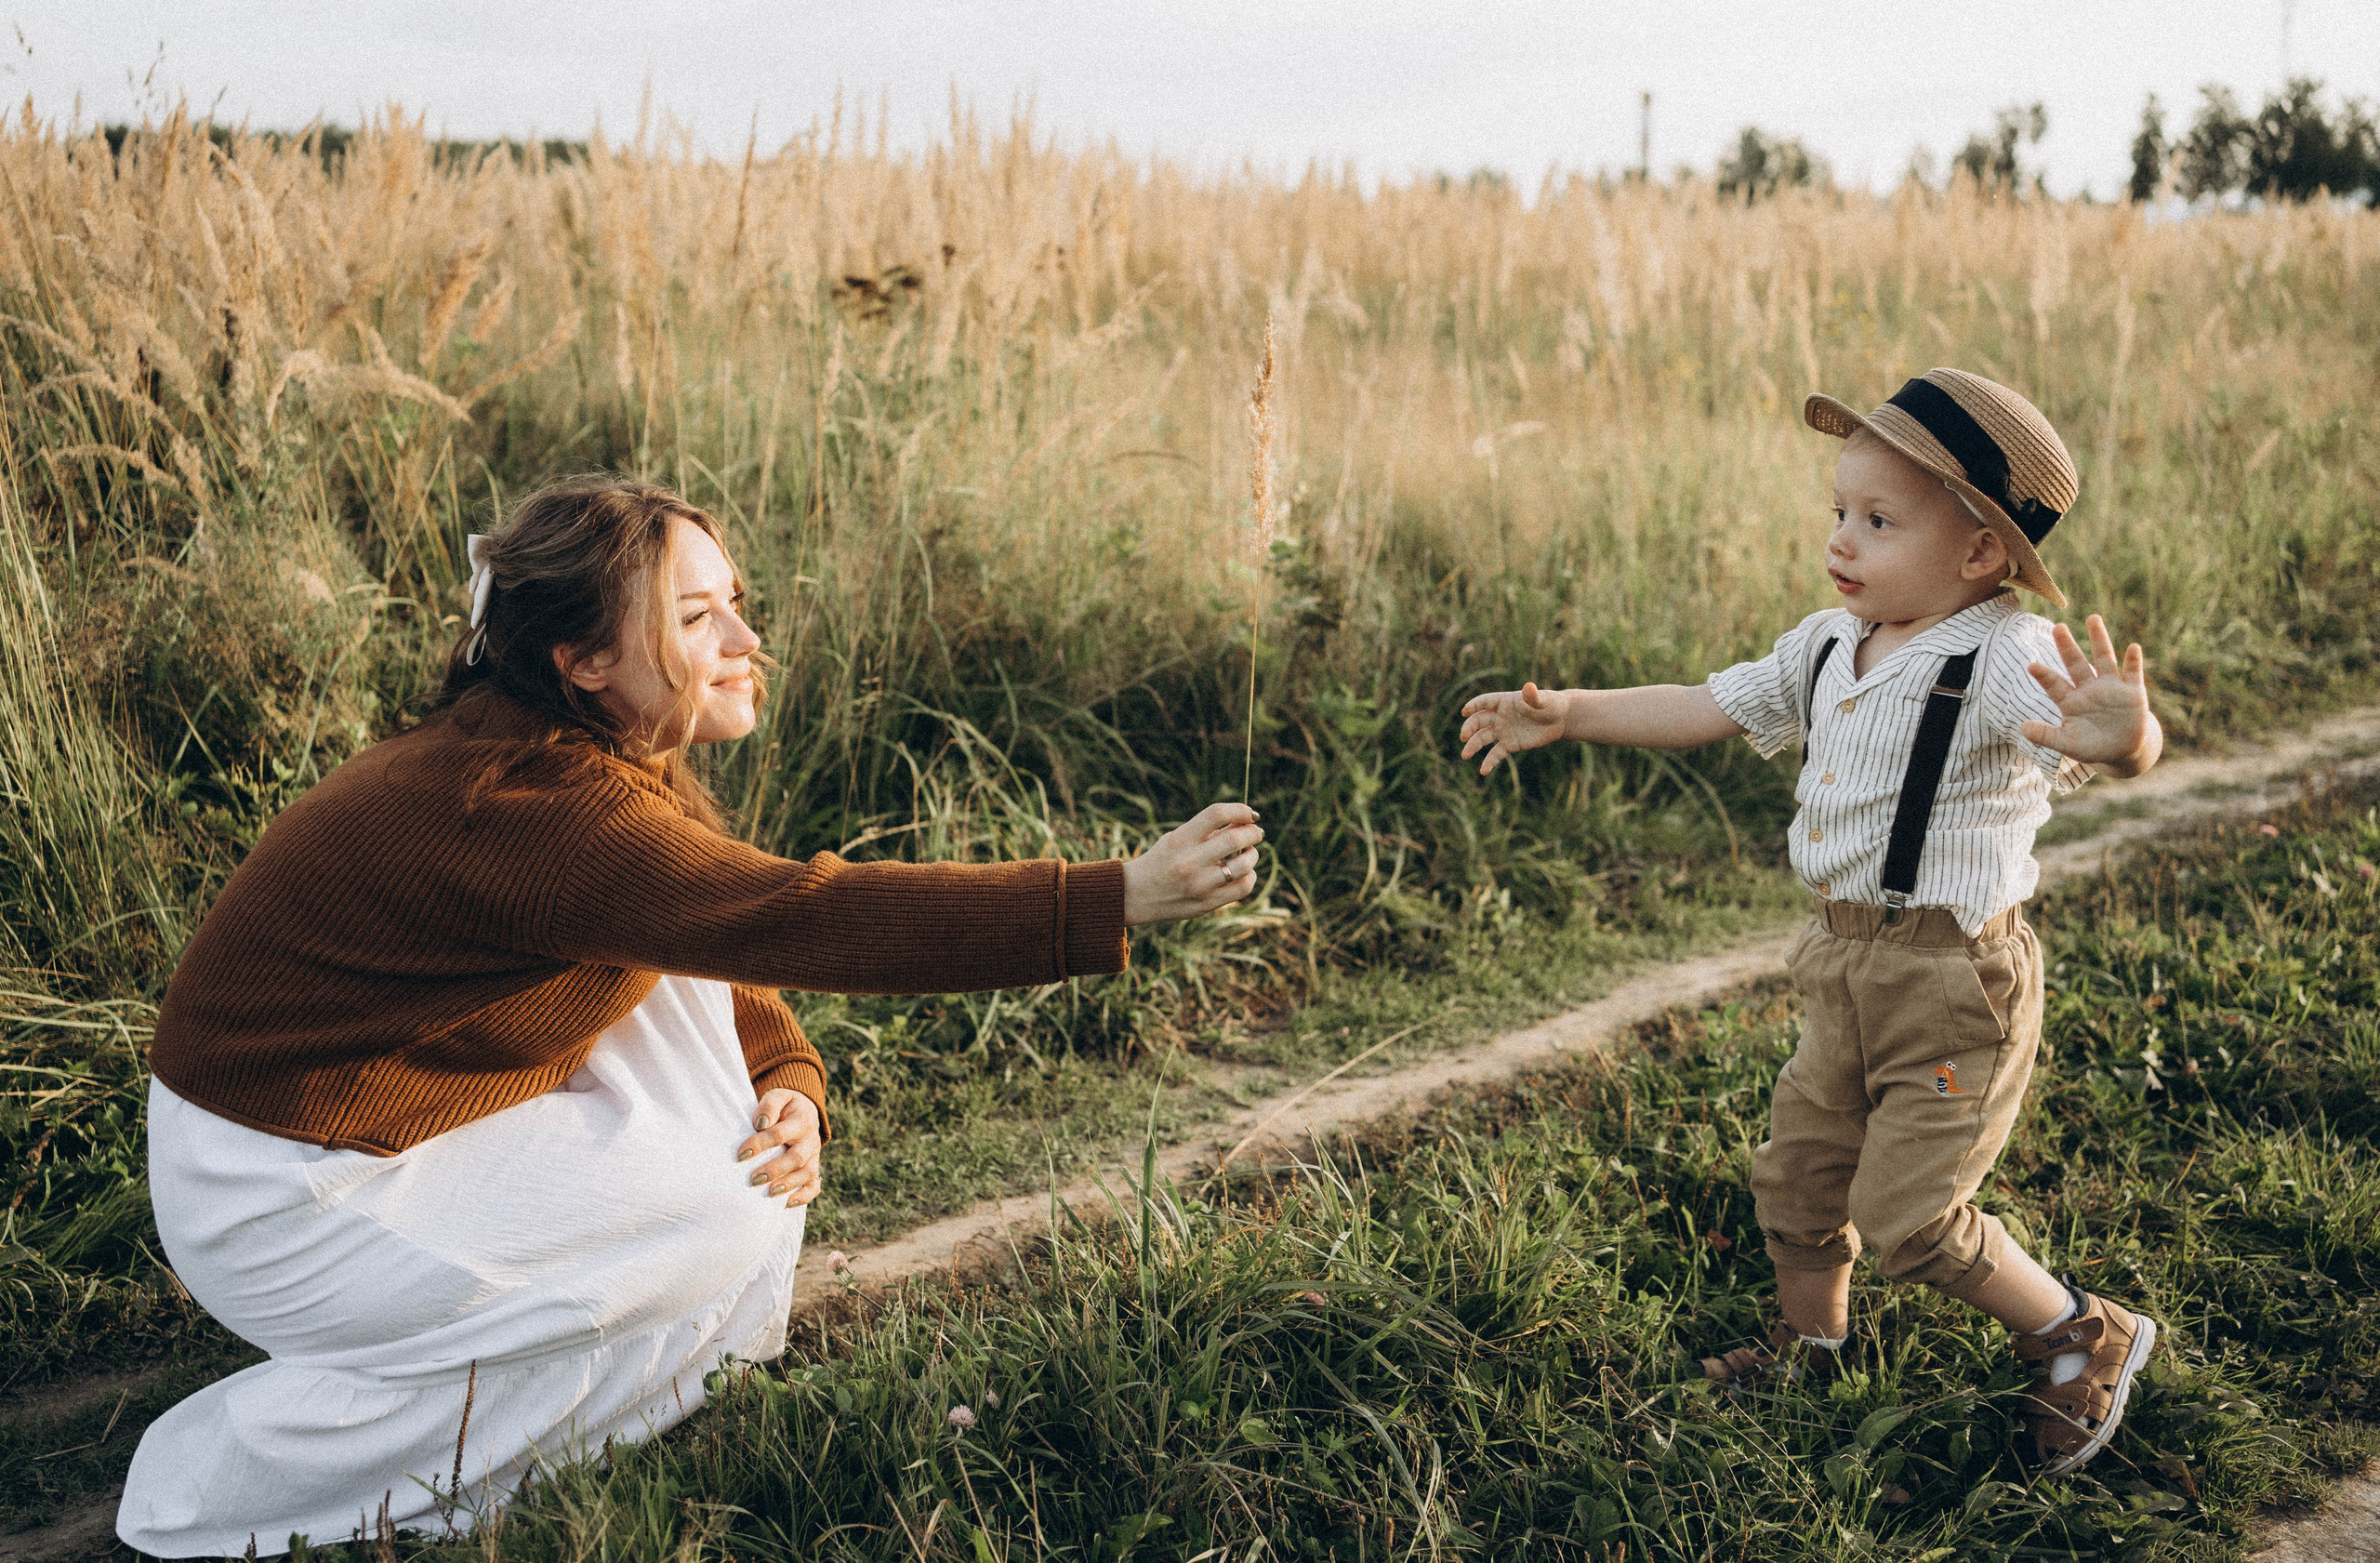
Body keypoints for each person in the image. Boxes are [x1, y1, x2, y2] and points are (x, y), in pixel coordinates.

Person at [119, 476, 1264, 1555]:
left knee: (747, 1186)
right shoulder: (528, 806)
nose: (744, 643)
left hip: (368, 1126)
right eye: (699, 617)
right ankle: (232, 1478)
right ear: (584, 660)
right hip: (282, 1196)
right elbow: (798, 919)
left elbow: (710, 936)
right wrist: (1118, 894)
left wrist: (790, 1079)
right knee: (727, 1210)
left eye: (738, 606)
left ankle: (650, 1384)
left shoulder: (574, 753)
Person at [1458, 369, 2162, 1476]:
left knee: (1911, 1216)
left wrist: (2124, 738)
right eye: (1838, 512)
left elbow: (2092, 742)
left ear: (1981, 556)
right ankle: (1810, 1343)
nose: (1842, 540)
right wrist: (1572, 715)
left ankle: (2079, 1332)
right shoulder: (1831, 644)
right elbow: (1708, 704)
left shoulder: (2000, 659)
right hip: (1837, 958)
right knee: (1799, 1172)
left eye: (1877, 522)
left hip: (1951, 982)